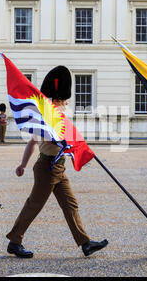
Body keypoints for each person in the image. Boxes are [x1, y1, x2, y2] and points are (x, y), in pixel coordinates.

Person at [6, 66, 108, 258]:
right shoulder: (48, 115)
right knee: (34, 204)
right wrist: (23, 165)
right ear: (57, 98)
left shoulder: (55, 114)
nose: (66, 101)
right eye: (63, 98)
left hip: (58, 166)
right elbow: (42, 140)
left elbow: (39, 141)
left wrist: (23, 165)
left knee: (70, 205)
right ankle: (14, 240)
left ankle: (85, 243)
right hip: (48, 167)